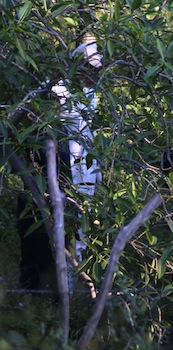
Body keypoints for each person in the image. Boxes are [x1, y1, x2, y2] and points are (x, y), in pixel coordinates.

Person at [17, 36, 103, 294]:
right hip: (58, 170)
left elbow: (89, 137)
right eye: (89, 67)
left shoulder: (93, 96)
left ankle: (72, 288)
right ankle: (52, 291)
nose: (93, 73)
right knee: (49, 236)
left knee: (79, 233)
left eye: (96, 69)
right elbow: (37, 112)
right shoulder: (60, 88)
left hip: (83, 172)